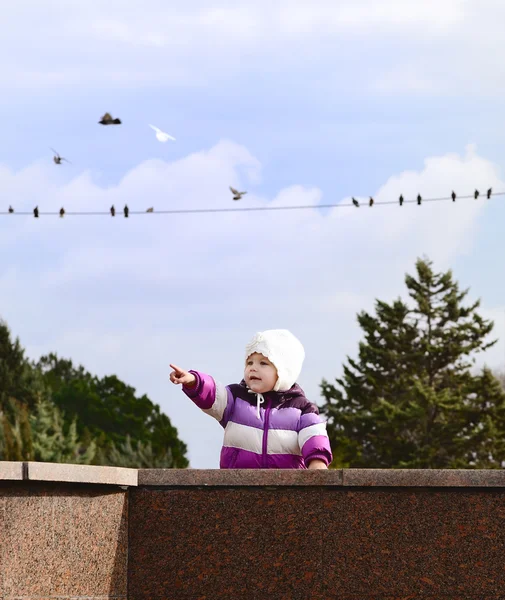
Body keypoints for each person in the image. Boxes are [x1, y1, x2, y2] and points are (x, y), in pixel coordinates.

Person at [169, 329, 332, 469]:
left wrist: (317, 463)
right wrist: (194, 381)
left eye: (263, 363)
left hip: (286, 489)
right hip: (237, 485)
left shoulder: (301, 409)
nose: (253, 367)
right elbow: (213, 394)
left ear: (284, 372)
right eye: (249, 362)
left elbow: (314, 436)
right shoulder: (235, 398)